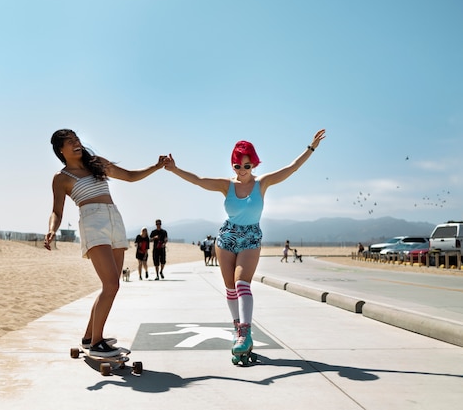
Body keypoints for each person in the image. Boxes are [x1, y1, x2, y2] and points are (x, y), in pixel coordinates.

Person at [164, 129, 326, 357]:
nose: (242, 171)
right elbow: (199, 181)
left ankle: (246, 333)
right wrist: (175, 169)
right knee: (230, 287)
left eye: (246, 166)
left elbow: (292, 168)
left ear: (254, 164)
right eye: (237, 166)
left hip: (251, 238)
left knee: (242, 283)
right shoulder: (226, 185)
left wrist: (311, 148)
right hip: (227, 238)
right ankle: (236, 329)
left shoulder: (263, 183)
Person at [44, 129, 167, 357]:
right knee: (111, 285)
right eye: (70, 142)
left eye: (77, 139)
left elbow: (129, 176)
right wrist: (52, 230)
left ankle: (90, 336)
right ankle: (97, 343)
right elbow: (56, 211)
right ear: (61, 150)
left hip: (114, 220)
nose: (76, 144)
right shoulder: (61, 178)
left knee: (110, 285)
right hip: (92, 222)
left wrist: (156, 167)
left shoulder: (96, 163)